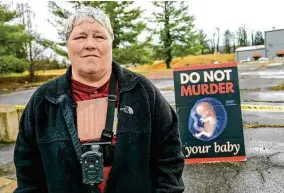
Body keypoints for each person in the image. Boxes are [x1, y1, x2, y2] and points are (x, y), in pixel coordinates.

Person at [14, 6, 185, 193]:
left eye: (99, 36)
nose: (90, 44)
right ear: (67, 45)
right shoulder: (43, 101)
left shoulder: (143, 91)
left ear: (111, 43)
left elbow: (170, 154)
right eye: (80, 37)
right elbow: (27, 170)